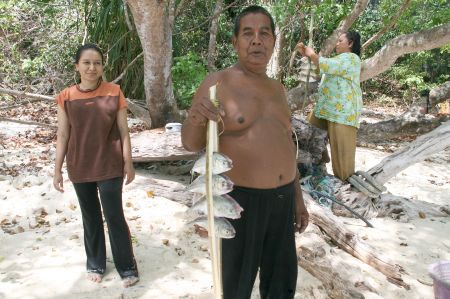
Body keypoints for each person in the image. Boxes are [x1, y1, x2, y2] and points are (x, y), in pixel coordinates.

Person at [181, 5, 309, 299]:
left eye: (264, 34)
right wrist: (196, 116)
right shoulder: (218, 83)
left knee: (281, 282)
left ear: (274, 42)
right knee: (236, 286)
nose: (256, 41)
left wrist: (298, 199)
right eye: (248, 33)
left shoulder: (277, 88)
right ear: (235, 42)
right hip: (239, 201)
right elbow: (190, 143)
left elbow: (287, 145)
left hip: (282, 199)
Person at [53, 44, 139, 287]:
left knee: (114, 215)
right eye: (87, 63)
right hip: (79, 165)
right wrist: (57, 169)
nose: (92, 67)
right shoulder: (66, 97)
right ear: (77, 66)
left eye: (97, 63)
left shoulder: (114, 92)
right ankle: (95, 263)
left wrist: (128, 162)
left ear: (103, 66)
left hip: (110, 164)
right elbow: (62, 135)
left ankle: (127, 266)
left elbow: (124, 131)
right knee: (90, 216)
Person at [296, 31, 363, 181]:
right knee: (307, 134)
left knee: (342, 158)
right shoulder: (339, 60)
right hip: (325, 110)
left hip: (343, 114)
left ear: (350, 43)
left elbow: (325, 64)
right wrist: (307, 55)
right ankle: (317, 166)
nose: (337, 44)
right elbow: (321, 67)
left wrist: (312, 54)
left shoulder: (352, 59)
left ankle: (346, 188)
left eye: (340, 41)